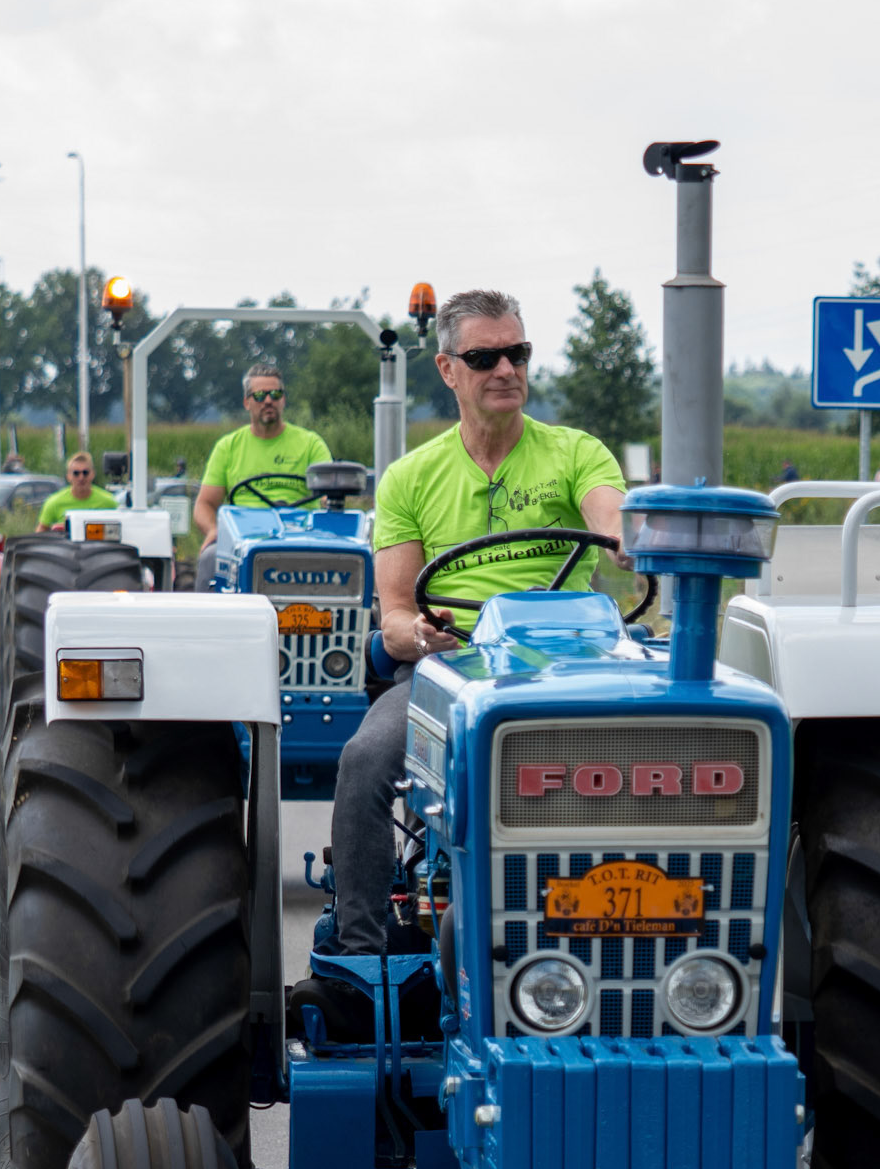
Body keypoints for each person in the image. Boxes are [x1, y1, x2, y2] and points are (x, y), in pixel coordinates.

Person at [328, 286, 627, 957]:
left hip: (566, 669)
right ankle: (361, 953)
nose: (506, 370)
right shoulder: (410, 477)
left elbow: (612, 519)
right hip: (450, 669)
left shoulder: (576, 453)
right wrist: (418, 635)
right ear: (447, 369)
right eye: (485, 357)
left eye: (517, 353)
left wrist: (630, 537)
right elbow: (396, 613)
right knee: (365, 760)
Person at [191, 365, 331, 589]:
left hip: (301, 534)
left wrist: (329, 500)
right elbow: (204, 504)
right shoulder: (229, 447)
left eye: (275, 394)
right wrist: (213, 530)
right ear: (247, 402)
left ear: (283, 400)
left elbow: (328, 493)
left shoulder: (310, 444)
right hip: (243, 536)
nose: (268, 401)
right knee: (210, 557)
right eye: (259, 395)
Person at [37, 452, 117, 531]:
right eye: (76, 473)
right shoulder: (54, 502)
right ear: (68, 476)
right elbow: (40, 532)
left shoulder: (109, 502)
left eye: (85, 473)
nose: (81, 477)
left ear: (92, 474)